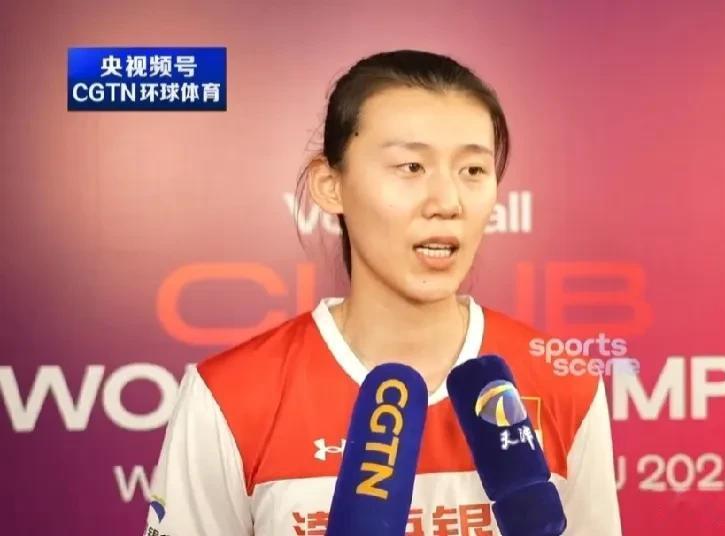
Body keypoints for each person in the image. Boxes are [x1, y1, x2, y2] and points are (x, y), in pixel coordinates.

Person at [143, 49, 622, 536]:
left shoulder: (564, 383)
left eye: (473, 171)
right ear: (330, 185)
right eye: (411, 167)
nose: (447, 202)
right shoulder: (231, 397)